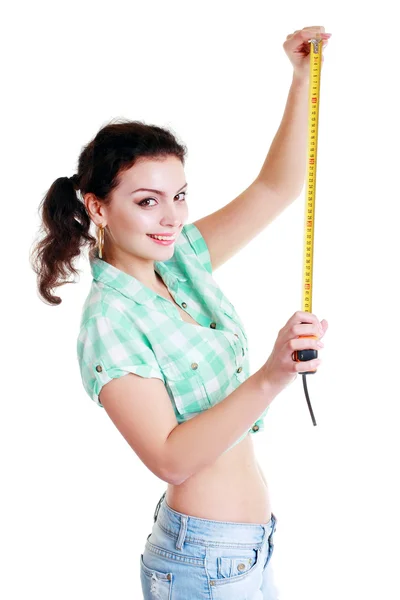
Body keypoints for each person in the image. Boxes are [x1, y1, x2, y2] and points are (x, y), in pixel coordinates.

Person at [30, 26, 330, 600]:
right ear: (98, 207)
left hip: (250, 550)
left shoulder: (182, 261)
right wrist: (271, 376)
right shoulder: (109, 322)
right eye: (147, 201)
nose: (171, 217)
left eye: (180, 195)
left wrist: (300, 80)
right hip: (202, 565)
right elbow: (170, 457)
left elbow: (277, 187)